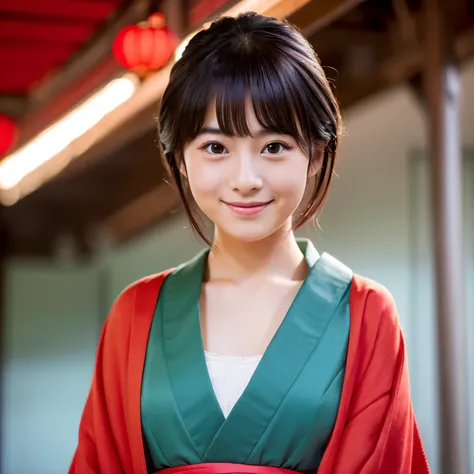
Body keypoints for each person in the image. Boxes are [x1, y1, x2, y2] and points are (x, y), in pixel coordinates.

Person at [70, 12, 430, 474]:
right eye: (216, 148)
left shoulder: (367, 315)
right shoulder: (134, 315)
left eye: (274, 146)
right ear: (180, 157)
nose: (245, 180)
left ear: (316, 154)